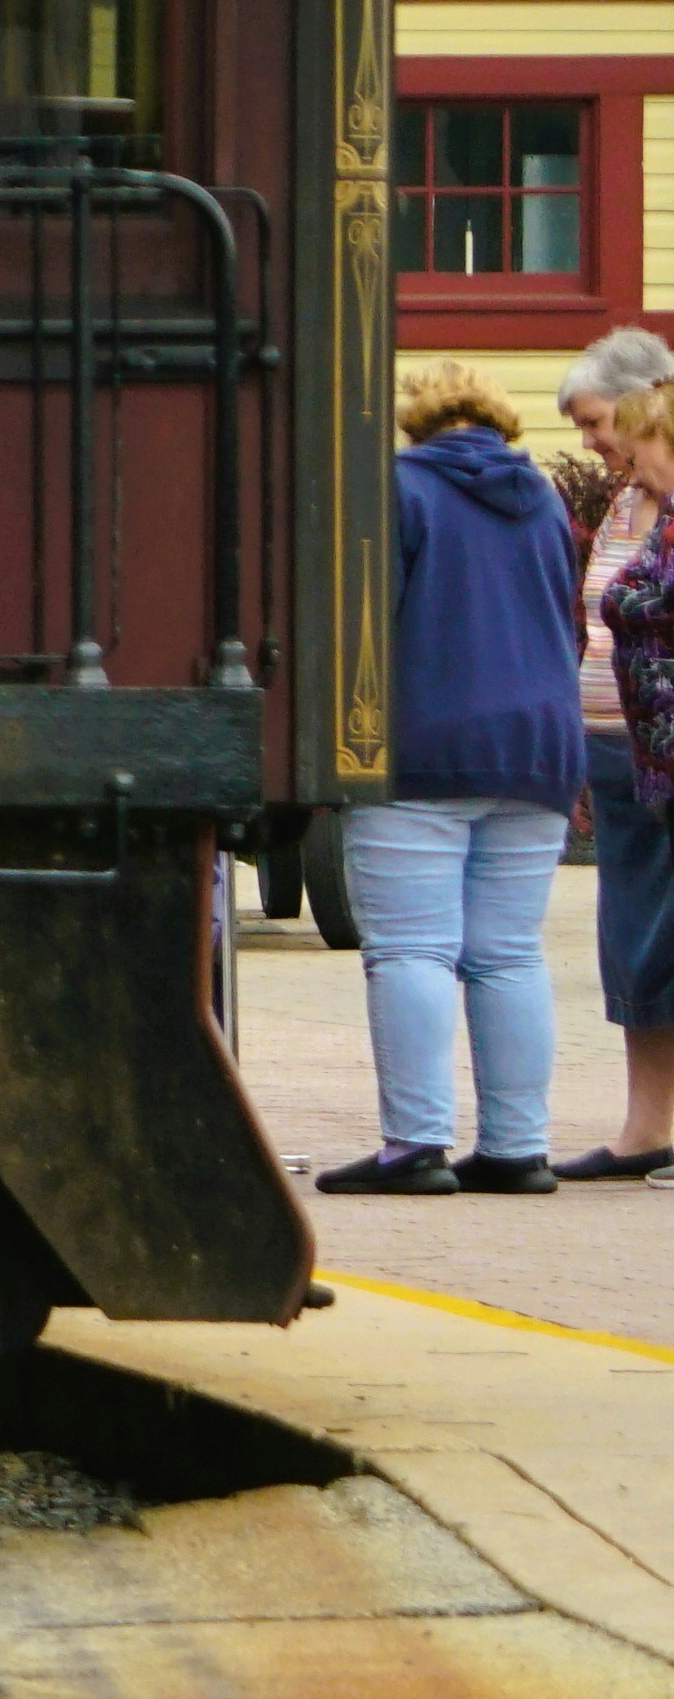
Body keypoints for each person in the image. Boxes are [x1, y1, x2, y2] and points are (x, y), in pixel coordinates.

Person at [333, 370, 590, 1197]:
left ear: (417, 423)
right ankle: (519, 1147)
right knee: (508, 954)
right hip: (539, 748)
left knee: (413, 949)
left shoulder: (399, 490)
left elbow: (367, 622)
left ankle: (415, 1146)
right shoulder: (545, 498)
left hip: (424, 745)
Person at [579, 324, 674, 1178]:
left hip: (667, 751)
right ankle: (646, 1128)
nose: (593, 442)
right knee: (632, 942)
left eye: (599, 422)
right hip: (616, 749)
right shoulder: (623, 503)